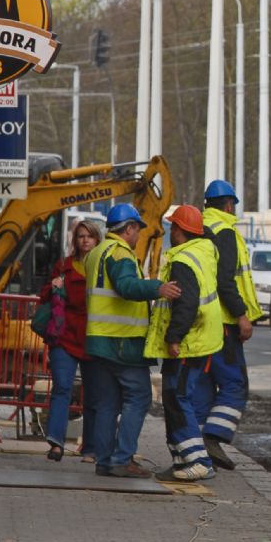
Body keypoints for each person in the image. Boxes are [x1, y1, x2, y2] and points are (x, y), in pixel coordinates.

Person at [84, 202, 180, 478]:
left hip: (99, 339)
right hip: (122, 342)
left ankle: (104, 460)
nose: (139, 235)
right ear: (128, 228)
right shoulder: (120, 253)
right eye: (137, 229)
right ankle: (122, 458)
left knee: (107, 403)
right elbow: (127, 287)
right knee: (139, 397)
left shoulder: (97, 253)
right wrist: (158, 288)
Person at [144, 205, 225, 481]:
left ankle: (199, 460)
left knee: (177, 399)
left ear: (180, 231)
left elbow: (186, 303)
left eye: (173, 227)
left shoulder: (184, 260)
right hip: (202, 337)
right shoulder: (205, 250)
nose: (171, 231)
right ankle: (181, 460)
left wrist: (174, 337)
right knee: (174, 398)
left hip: (190, 341)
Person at [196, 180, 260, 470]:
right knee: (235, 384)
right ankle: (213, 436)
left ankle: (195, 447)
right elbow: (226, 281)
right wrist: (241, 315)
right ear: (230, 205)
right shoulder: (226, 233)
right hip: (223, 322)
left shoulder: (197, 231)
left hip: (199, 322)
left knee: (205, 385)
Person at [38, 218, 101, 462]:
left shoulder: (103, 266)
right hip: (64, 336)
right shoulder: (64, 266)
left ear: (97, 239)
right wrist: (53, 286)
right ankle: (56, 443)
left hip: (94, 336)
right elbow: (45, 295)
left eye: (89, 236)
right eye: (81, 236)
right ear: (75, 240)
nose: (85, 240)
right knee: (62, 388)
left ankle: (91, 447)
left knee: (94, 394)